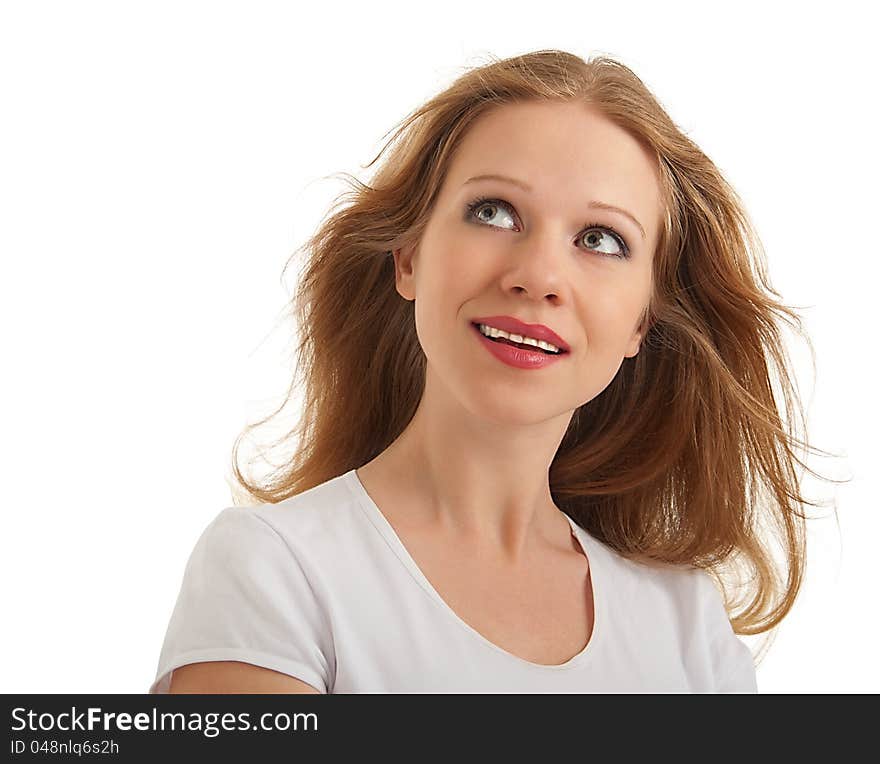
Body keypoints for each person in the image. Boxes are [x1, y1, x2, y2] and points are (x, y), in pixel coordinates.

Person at [150, 49, 831, 694]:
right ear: (410, 256)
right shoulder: (273, 572)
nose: (537, 276)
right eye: (495, 212)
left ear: (640, 323)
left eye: (600, 239)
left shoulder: (689, 630)